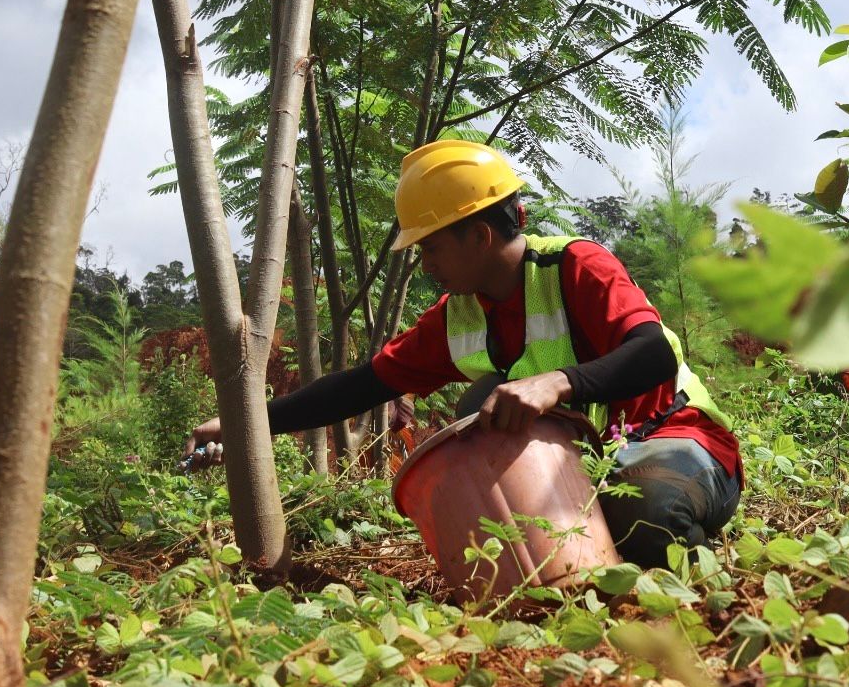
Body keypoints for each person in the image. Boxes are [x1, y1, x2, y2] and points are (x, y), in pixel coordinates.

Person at [184, 140, 741, 567]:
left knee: (644, 512)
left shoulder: (576, 267)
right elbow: (359, 387)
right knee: (482, 406)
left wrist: (555, 382)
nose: (425, 263)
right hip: (587, 467)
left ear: (478, 236)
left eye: (431, 246)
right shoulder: (459, 315)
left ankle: (692, 575)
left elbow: (653, 358)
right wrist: (241, 424)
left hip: (677, 442)